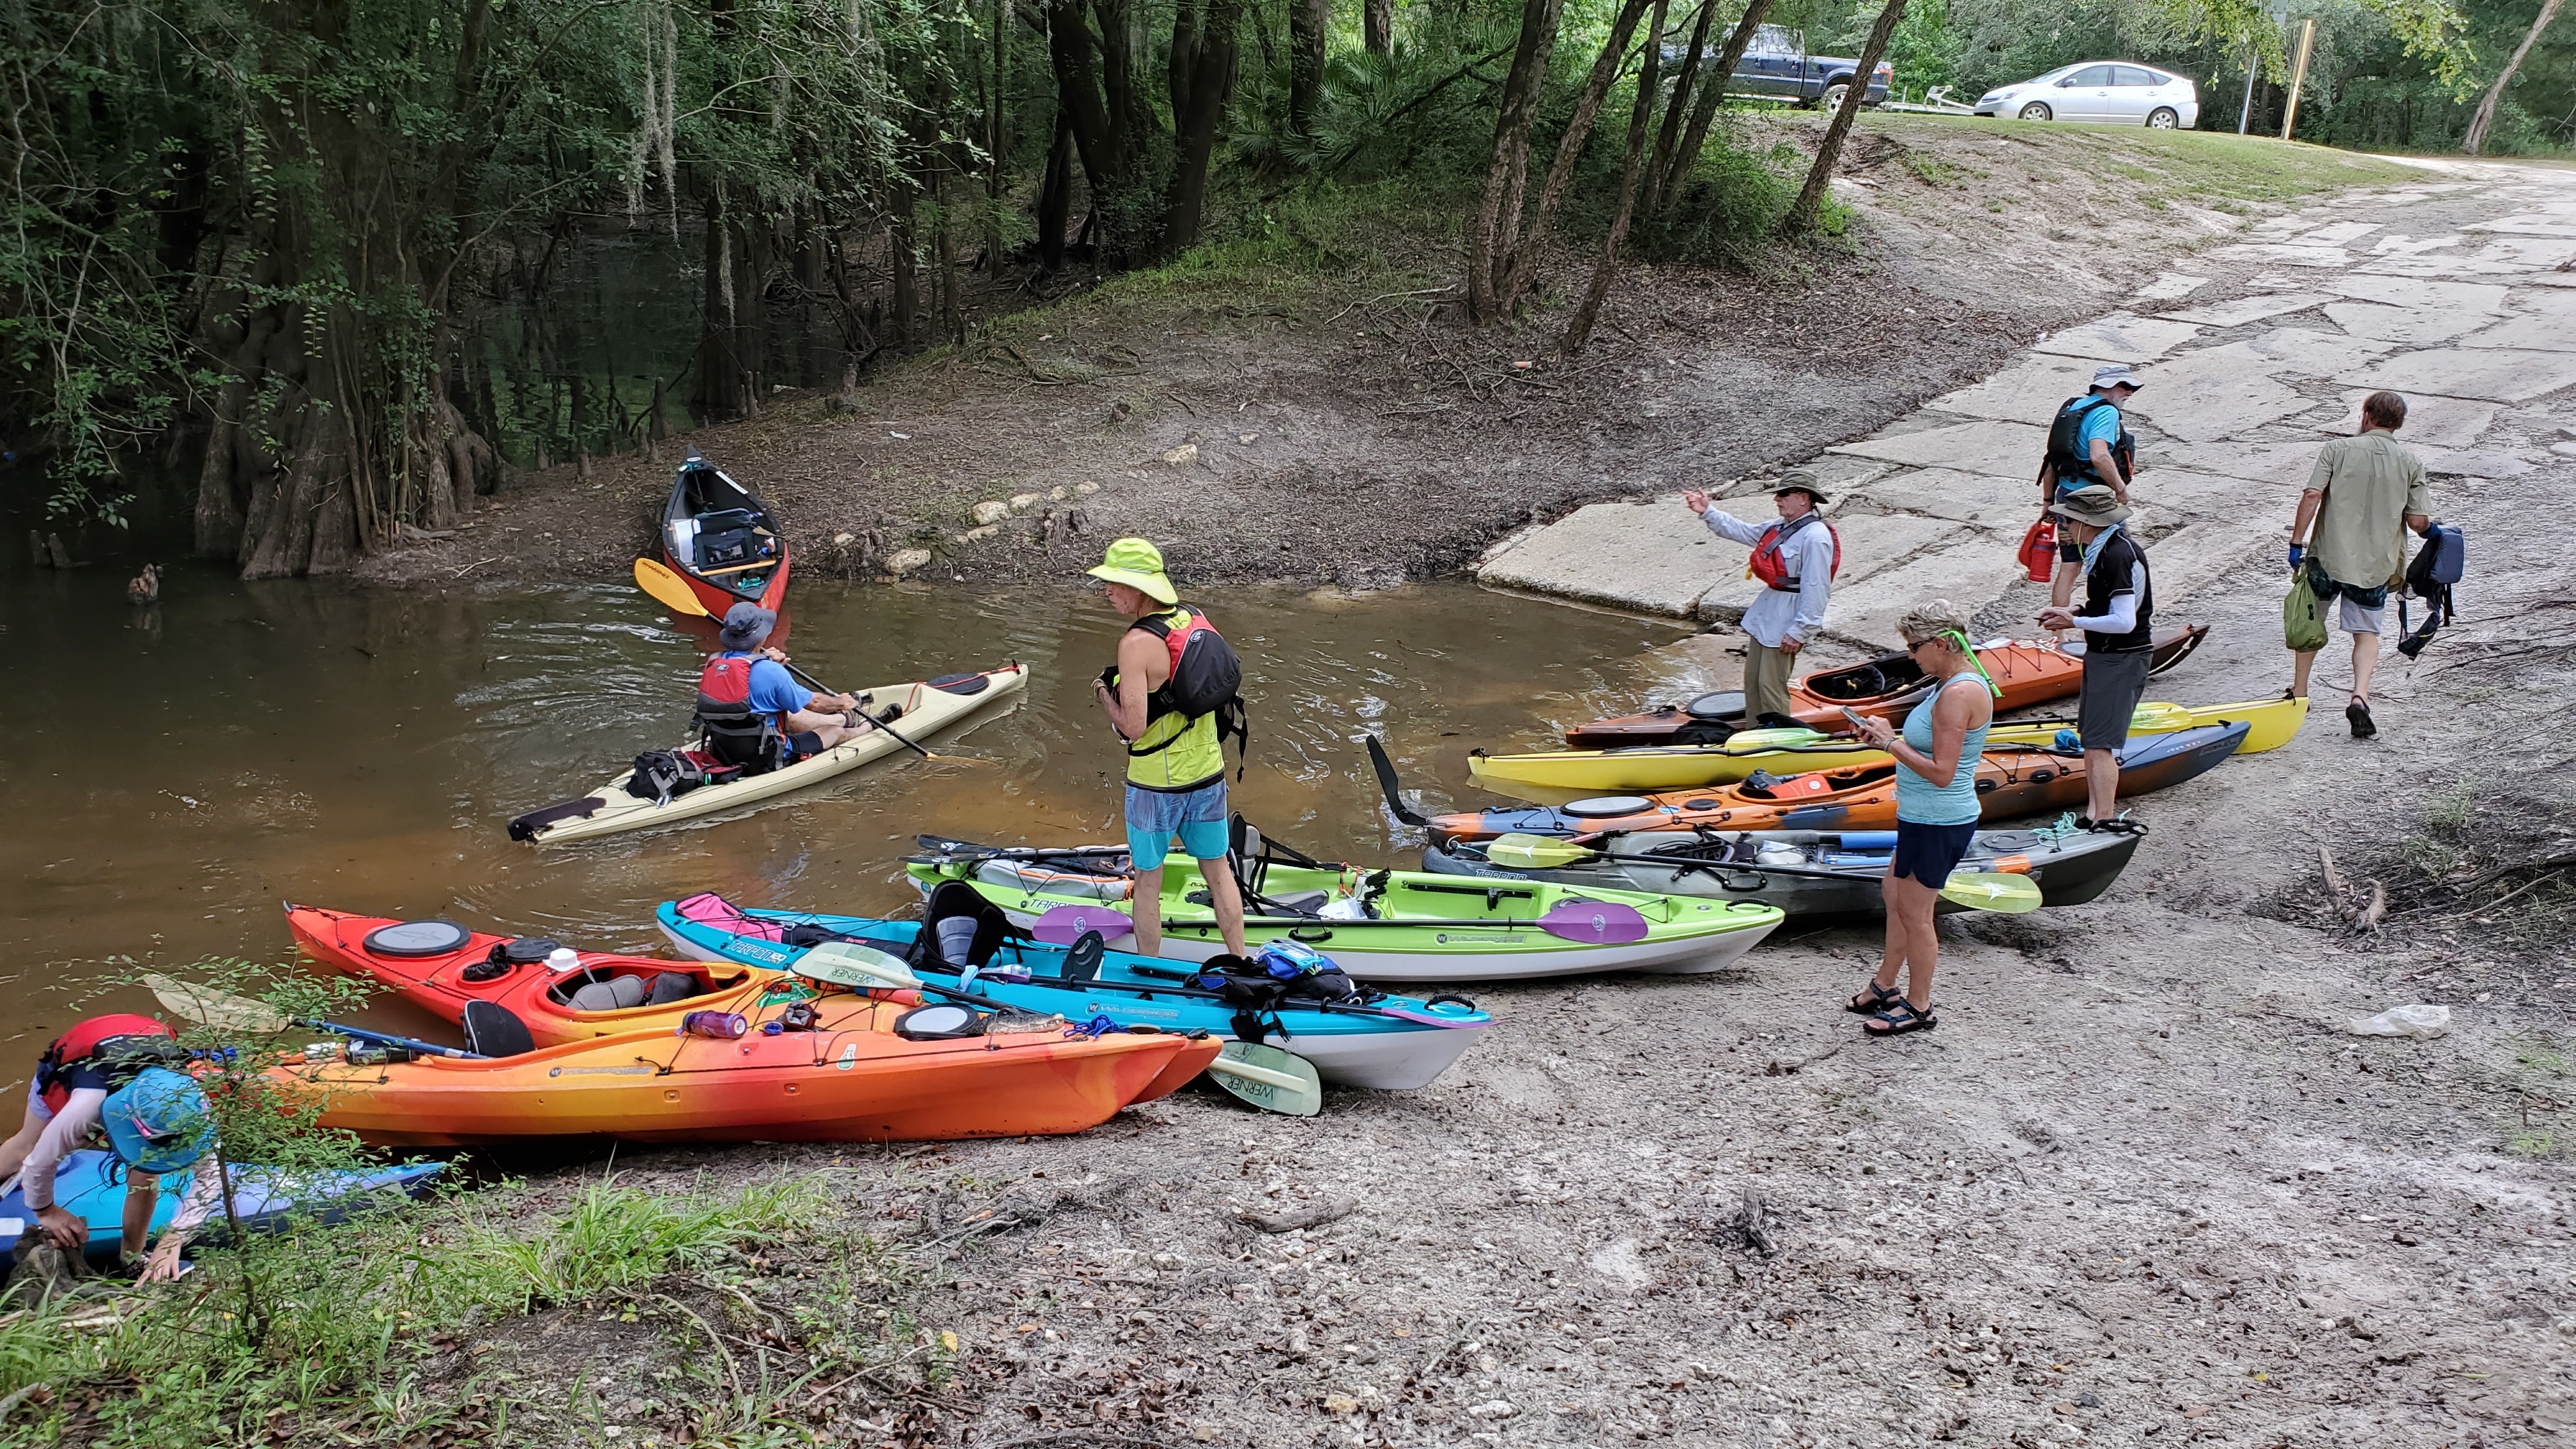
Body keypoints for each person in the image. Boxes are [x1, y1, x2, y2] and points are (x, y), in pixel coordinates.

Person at [1087, 537, 1248, 959]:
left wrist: (1104, 693)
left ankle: (1150, 972)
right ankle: (1240, 958)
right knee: (1219, 874)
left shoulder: (1135, 644)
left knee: (1148, 883)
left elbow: (1133, 728)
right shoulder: (1193, 618)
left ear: (1141, 588)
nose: (1107, 590)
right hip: (1208, 775)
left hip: (1155, 786)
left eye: (1115, 583)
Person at [1846, 602, 1995, 1038]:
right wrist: (1883, 734)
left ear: (1943, 643)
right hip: (1920, 816)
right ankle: (1886, 986)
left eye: (1914, 647)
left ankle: (1919, 1006)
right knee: (1894, 894)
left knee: (1916, 912)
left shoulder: (1959, 693)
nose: (1911, 656)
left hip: (1940, 819)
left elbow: (1942, 773)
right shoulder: (1945, 683)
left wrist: (1889, 744)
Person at [0, 1015, 219, 1282]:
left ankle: (132, 1260)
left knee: (146, 1177)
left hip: (139, 1063)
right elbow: (39, 1161)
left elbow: (212, 1178)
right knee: (25, 1145)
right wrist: (47, 1211)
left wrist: (174, 1240)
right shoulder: (83, 1110)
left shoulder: (191, 1105)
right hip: (74, 1072)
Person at [2288, 390, 2431, 739]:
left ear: (2367, 415)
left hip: (2328, 557)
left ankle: (2300, 694)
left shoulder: (2337, 450)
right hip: (2375, 567)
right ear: (2399, 423)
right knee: (2366, 633)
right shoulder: (2410, 462)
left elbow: (2312, 495)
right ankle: (2360, 697)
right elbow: (2417, 522)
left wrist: (2296, 542)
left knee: (2310, 623)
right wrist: (2434, 530)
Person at [1680, 470, 1839, 728]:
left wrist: (1800, 630)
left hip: (1787, 621)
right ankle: (1755, 734)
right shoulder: (1779, 527)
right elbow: (1743, 532)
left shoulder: (1816, 536)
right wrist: (1708, 511)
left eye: (1784, 494)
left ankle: (1778, 741)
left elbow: (1816, 588)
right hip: (1766, 617)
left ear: (1804, 498)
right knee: (1754, 682)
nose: (1777, 499)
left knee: (1771, 688)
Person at [2036, 486, 2154, 832]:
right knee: (2091, 737)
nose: (2065, 527)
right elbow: (2108, 607)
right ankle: (2093, 813)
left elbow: (2124, 620)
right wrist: (2073, 609)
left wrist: (2074, 621)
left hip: (2122, 657)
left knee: (2101, 742)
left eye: (2068, 520)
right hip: (2105, 655)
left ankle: (2103, 817)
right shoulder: (2104, 550)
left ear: (2087, 523)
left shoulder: (2117, 555)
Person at [696, 602, 871, 770]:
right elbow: (814, 704)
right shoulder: (771, 671)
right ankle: (867, 727)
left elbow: (742, 686)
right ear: (760, 637)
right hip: (765, 757)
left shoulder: (713, 664)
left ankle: (842, 719)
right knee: (836, 732)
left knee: (782, 711)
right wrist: (841, 702)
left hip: (722, 751)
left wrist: (766, 663)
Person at [2039, 364, 2141, 623]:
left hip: (2065, 499)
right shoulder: (2106, 412)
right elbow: (2099, 455)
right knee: (2117, 560)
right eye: (2125, 387)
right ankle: (2114, 621)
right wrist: (2120, 489)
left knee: (2070, 565)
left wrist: (2048, 501)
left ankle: (2057, 635)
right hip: (2094, 504)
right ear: (2110, 388)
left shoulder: (2073, 407)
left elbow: (2053, 458)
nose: (2130, 392)